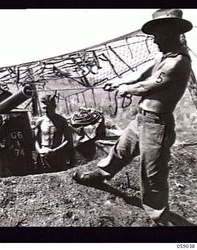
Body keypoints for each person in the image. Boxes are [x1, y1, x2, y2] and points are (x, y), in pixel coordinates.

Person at [72, 9, 193, 226]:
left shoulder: (178, 62)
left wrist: (127, 89)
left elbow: (147, 85)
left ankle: (159, 217)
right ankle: (101, 174)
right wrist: (118, 82)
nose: (154, 40)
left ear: (171, 33)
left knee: (152, 172)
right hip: (142, 119)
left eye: (158, 35)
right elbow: (139, 75)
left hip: (158, 124)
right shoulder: (161, 56)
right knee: (120, 150)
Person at [34, 94, 74, 172]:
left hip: (58, 156)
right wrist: (40, 151)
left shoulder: (62, 121)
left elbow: (68, 140)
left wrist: (55, 150)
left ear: (54, 106)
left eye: (48, 108)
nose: (46, 111)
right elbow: (35, 140)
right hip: (43, 156)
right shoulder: (40, 121)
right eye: (44, 108)